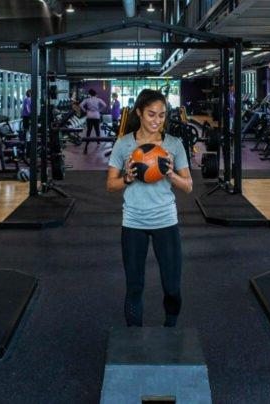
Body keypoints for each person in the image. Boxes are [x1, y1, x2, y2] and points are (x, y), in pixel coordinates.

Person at [106, 89, 193, 328]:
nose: (157, 121)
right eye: (151, 114)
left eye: (162, 115)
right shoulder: (124, 144)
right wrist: (126, 178)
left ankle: (171, 329)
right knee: (134, 285)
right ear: (139, 113)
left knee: (172, 286)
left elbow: (188, 187)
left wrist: (171, 173)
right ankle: (134, 335)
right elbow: (110, 185)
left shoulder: (174, 145)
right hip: (133, 223)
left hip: (166, 221)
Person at [80, 89, 107, 154]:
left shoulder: (87, 100)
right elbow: (105, 105)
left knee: (89, 130)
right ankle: (98, 142)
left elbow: (80, 105)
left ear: (90, 94)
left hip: (89, 115)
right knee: (97, 129)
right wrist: (100, 110)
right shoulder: (98, 99)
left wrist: (85, 110)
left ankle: (87, 144)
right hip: (96, 115)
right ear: (95, 94)